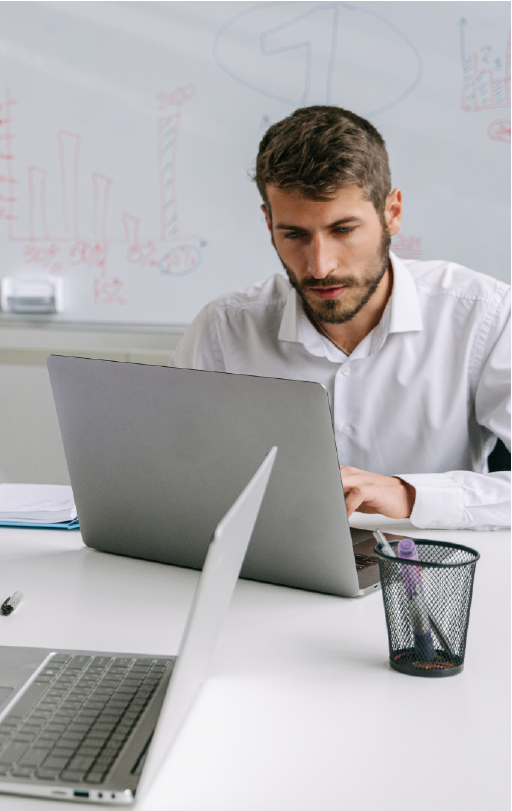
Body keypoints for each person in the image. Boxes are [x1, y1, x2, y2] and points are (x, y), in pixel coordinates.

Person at [171, 106, 509, 530]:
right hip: (266, 576)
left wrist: (410, 495)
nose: (319, 266)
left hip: (422, 576)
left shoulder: (484, 315)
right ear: (268, 222)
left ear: (393, 213)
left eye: (344, 230)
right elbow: (169, 477)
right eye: (293, 234)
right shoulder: (224, 329)